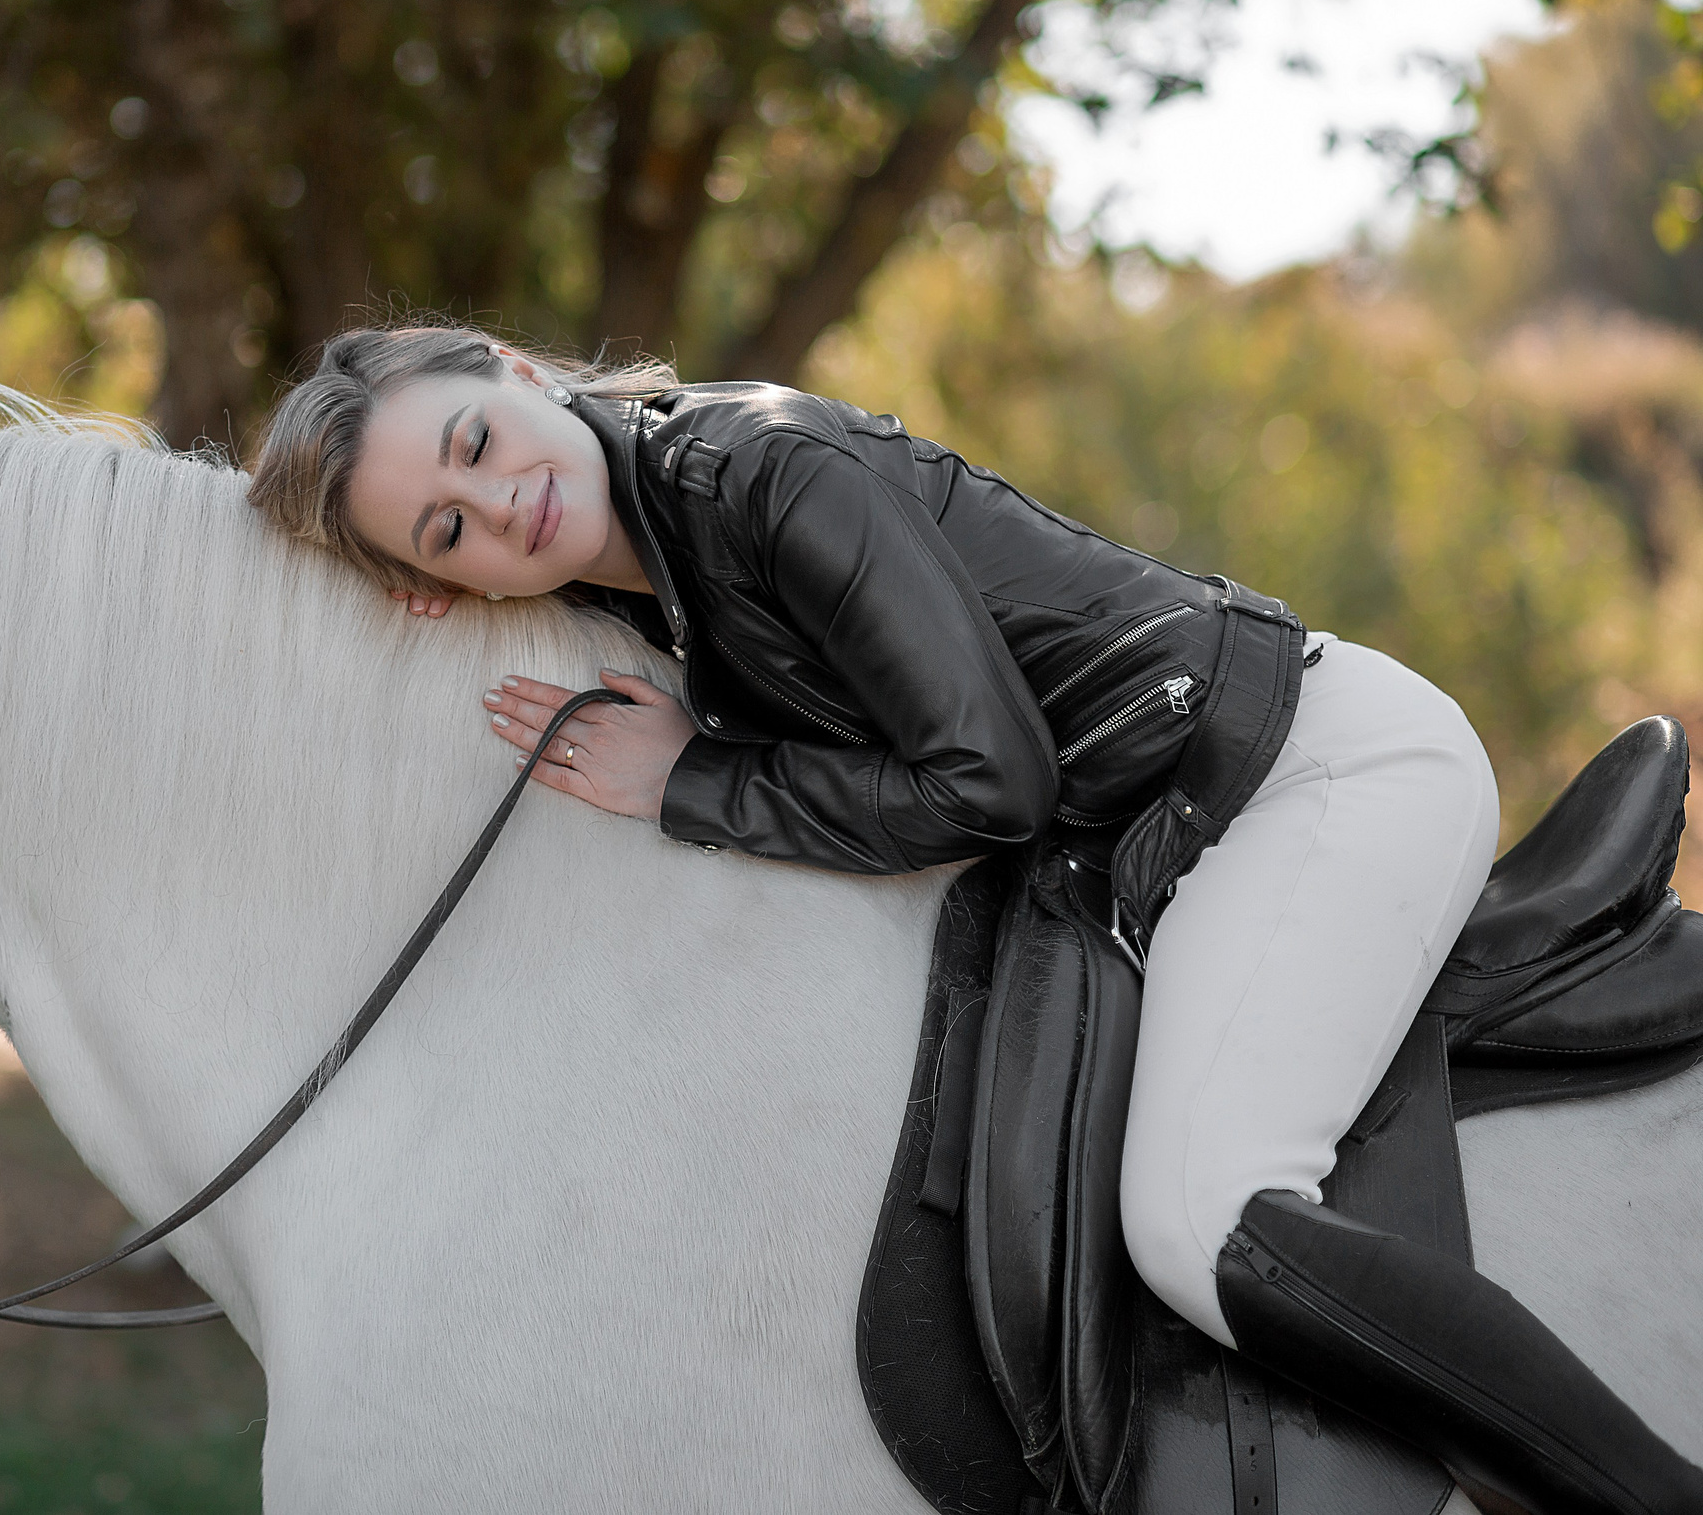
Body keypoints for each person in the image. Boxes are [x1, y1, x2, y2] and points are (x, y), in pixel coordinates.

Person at [246, 324, 1703, 1515]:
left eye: (475, 443)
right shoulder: (651, 568)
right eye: (449, 527)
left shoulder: (764, 471)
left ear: (511, 369)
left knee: (1201, 1218)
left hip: (1311, 771)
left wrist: (700, 782)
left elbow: (990, 779)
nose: (499, 503)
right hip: (1176, 834)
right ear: (437, 593)